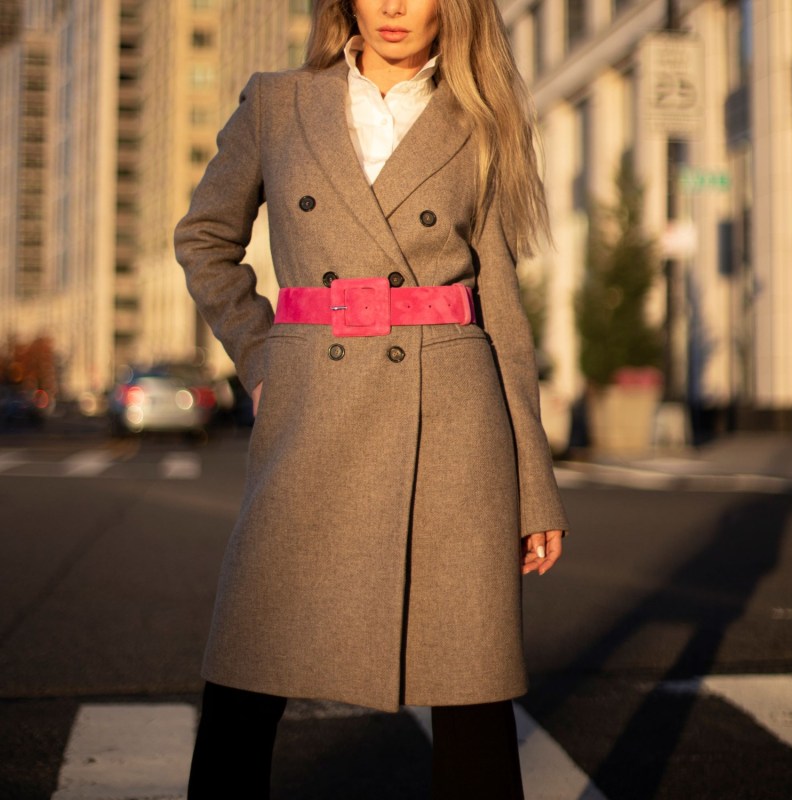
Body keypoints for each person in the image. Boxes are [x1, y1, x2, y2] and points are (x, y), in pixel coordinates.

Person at [175, 0, 569, 796]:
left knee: (471, 685)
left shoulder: (477, 119)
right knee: (247, 669)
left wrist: (535, 485)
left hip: (455, 422)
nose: (394, 6)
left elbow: (501, 309)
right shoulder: (277, 101)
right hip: (314, 406)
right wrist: (264, 355)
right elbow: (204, 240)